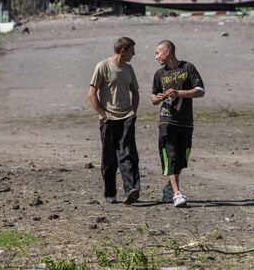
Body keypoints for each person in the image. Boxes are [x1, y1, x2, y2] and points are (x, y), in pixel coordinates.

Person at [151, 40, 205, 207]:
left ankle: (169, 186)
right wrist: (157, 98)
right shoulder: (159, 74)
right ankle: (177, 194)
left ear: (167, 52)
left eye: (158, 53)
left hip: (185, 122)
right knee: (171, 156)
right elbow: (153, 97)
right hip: (166, 121)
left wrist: (178, 93)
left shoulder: (188, 68)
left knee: (181, 159)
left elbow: (200, 91)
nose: (156, 57)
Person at [88, 37, 141, 205]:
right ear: (123, 50)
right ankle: (110, 193)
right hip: (109, 119)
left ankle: (131, 189)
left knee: (128, 154)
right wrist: (103, 115)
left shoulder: (129, 68)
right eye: (132, 50)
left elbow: (135, 91)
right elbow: (91, 94)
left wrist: (133, 112)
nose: (134, 54)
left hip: (126, 117)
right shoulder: (103, 66)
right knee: (109, 158)